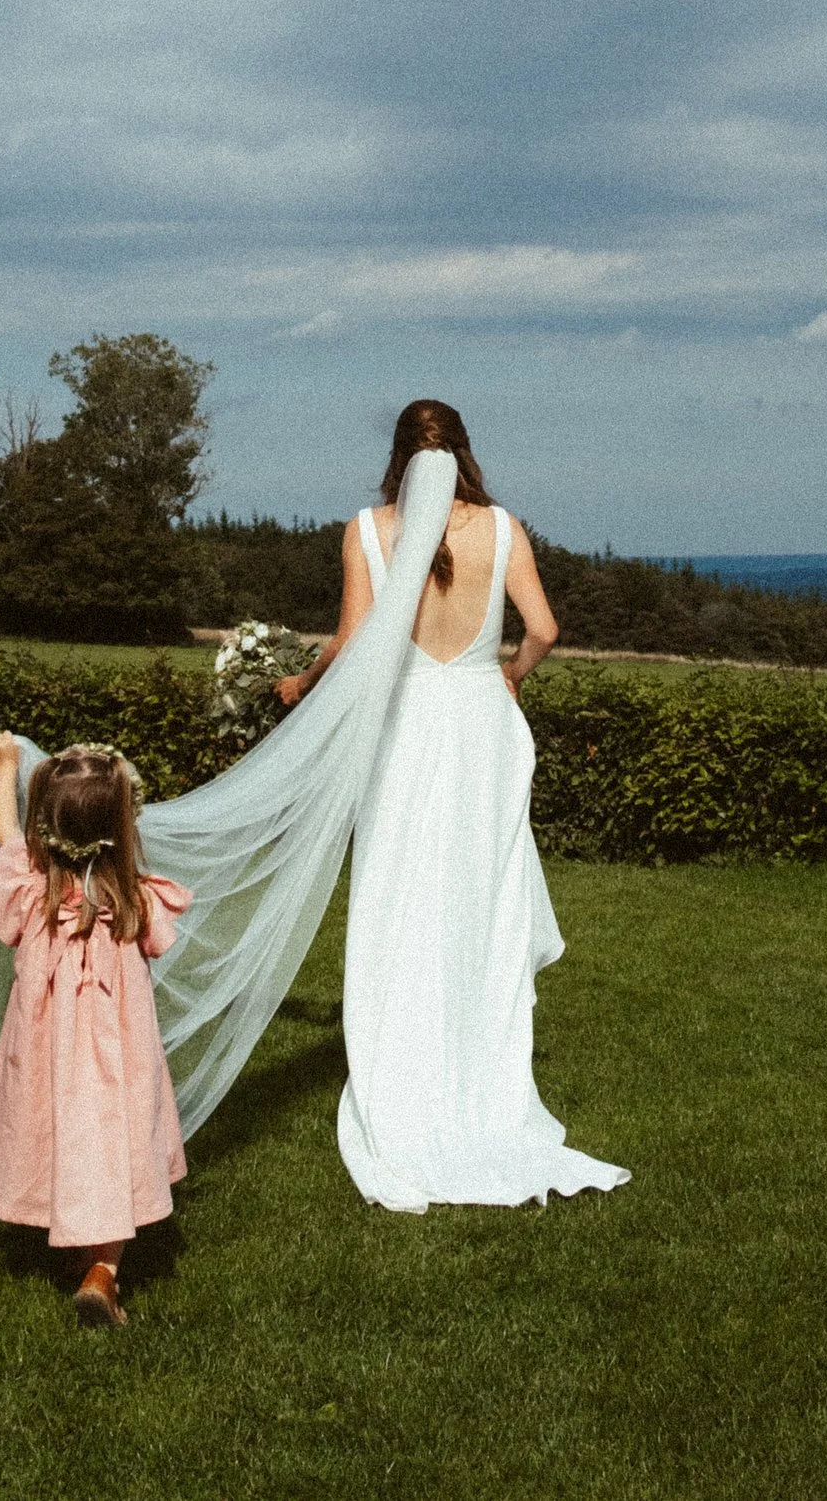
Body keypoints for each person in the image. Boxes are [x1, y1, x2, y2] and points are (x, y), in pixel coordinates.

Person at [273, 399, 629, 1212]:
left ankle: (402, 1068)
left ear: (398, 457)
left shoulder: (367, 529)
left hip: (404, 727)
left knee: (399, 893)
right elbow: (543, 626)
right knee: (481, 896)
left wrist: (300, 681)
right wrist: (506, 674)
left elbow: (355, 638)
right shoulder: (503, 529)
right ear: (465, 453)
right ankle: (479, 1068)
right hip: (480, 728)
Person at [0, 739, 192, 1327]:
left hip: (48, 1052)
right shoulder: (133, 897)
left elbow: (5, 830)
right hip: (119, 1055)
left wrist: (6, 768)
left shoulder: (30, 889)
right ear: (122, 824)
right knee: (113, 1138)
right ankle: (103, 1271)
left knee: (55, 1122)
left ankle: (70, 1236)